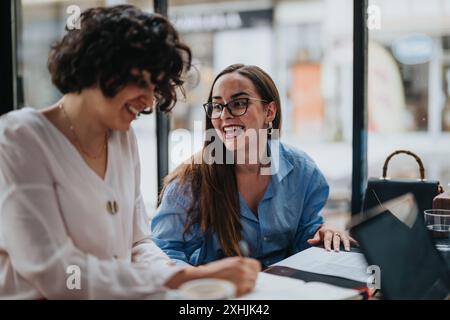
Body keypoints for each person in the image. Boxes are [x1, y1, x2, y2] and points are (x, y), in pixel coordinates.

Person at [0, 5, 259, 299]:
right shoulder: (19, 138)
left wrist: (177, 276)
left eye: (156, 87)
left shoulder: (123, 138)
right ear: (96, 66)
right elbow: (57, 272)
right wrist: (186, 277)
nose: (149, 102)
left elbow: (138, 243)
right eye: (140, 82)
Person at [151, 64, 356, 268]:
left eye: (239, 103)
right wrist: (203, 281)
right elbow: (163, 252)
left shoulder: (302, 171)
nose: (224, 116)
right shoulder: (190, 181)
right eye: (217, 106)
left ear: (269, 112)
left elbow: (305, 232)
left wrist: (323, 231)